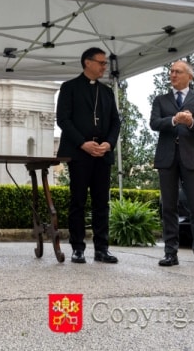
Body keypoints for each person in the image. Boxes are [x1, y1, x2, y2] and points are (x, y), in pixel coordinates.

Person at [56, 47, 121, 264]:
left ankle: (102, 249)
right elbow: (63, 120)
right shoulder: (69, 88)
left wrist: (108, 144)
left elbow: (115, 122)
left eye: (105, 63)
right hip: (79, 153)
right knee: (78, 201)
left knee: (102, 203)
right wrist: (83, 144)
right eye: (101, 63)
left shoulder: (107, 92)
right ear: (87, 63)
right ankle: (78, 248)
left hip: (102, 153)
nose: (104, 67)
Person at [149, 60, 194, 269]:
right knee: (168, 207)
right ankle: (170, 253)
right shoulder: (161, 100)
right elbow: (154, 123)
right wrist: (174, 120)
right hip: (167, 159)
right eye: (171, 71)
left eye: (177, 71)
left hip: (192, 159)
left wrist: (190, 123)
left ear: (189, 76)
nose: (173, 75)